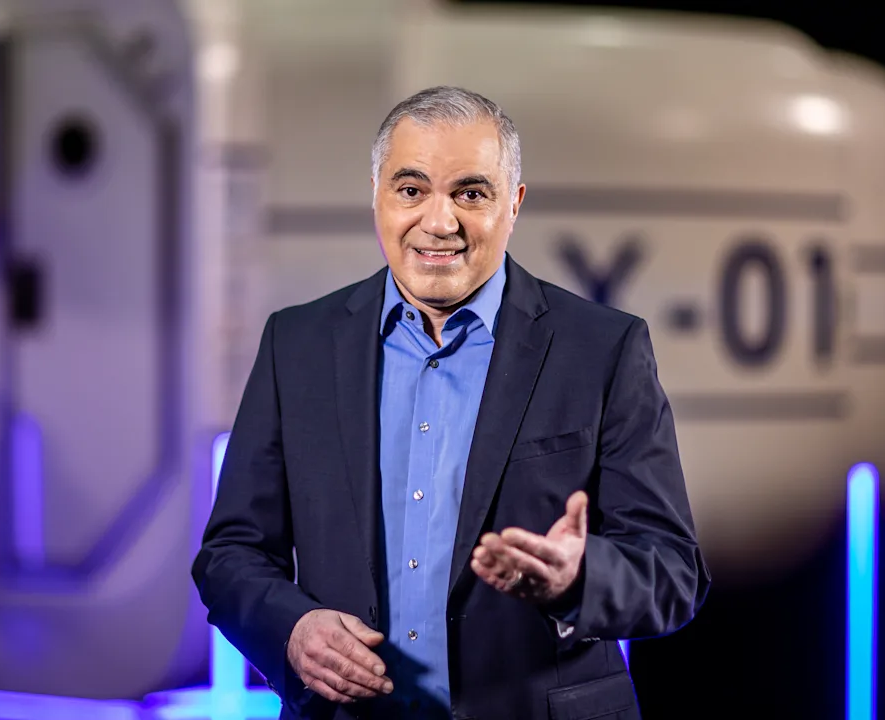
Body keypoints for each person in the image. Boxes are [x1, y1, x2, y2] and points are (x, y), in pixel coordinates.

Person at [192, 85, 710, 720]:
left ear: (514, 204)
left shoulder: (603, 349)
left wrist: (578, 580)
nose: (439, 223)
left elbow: (672, 572)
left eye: (471, 193)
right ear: (377, 195)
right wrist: (292, 632)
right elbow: (230, 554)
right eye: (411, 190)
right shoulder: (296, 344)